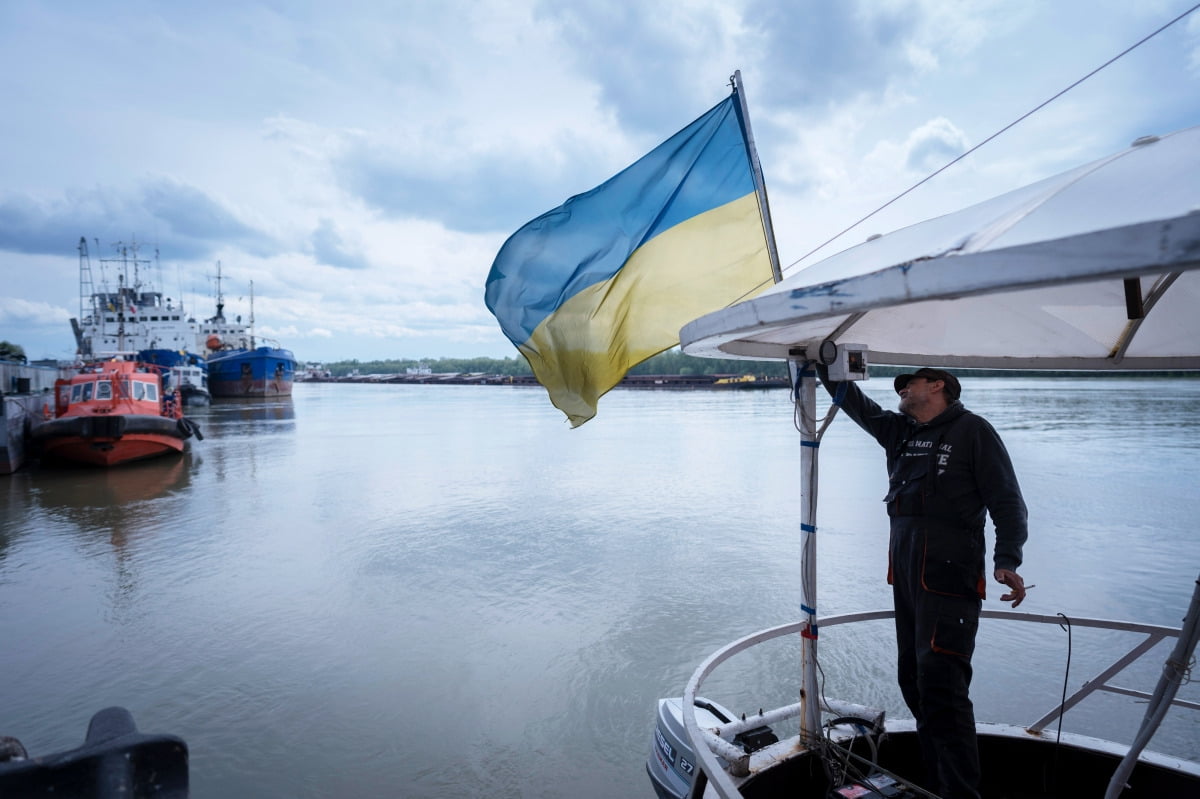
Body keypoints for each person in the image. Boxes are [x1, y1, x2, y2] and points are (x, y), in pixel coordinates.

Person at [816, 364, 1029, 799]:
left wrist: (1007, 558)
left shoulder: (973, 431)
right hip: (908, 579)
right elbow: (855, 402)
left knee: (944, 689)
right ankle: (937, 783)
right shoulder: (901, 433)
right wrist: (824, 362)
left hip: (950, 580)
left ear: (938, 385)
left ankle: (960, 792)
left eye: (907, 383)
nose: (900, 390)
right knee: (912, 679)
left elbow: (1007, 500)